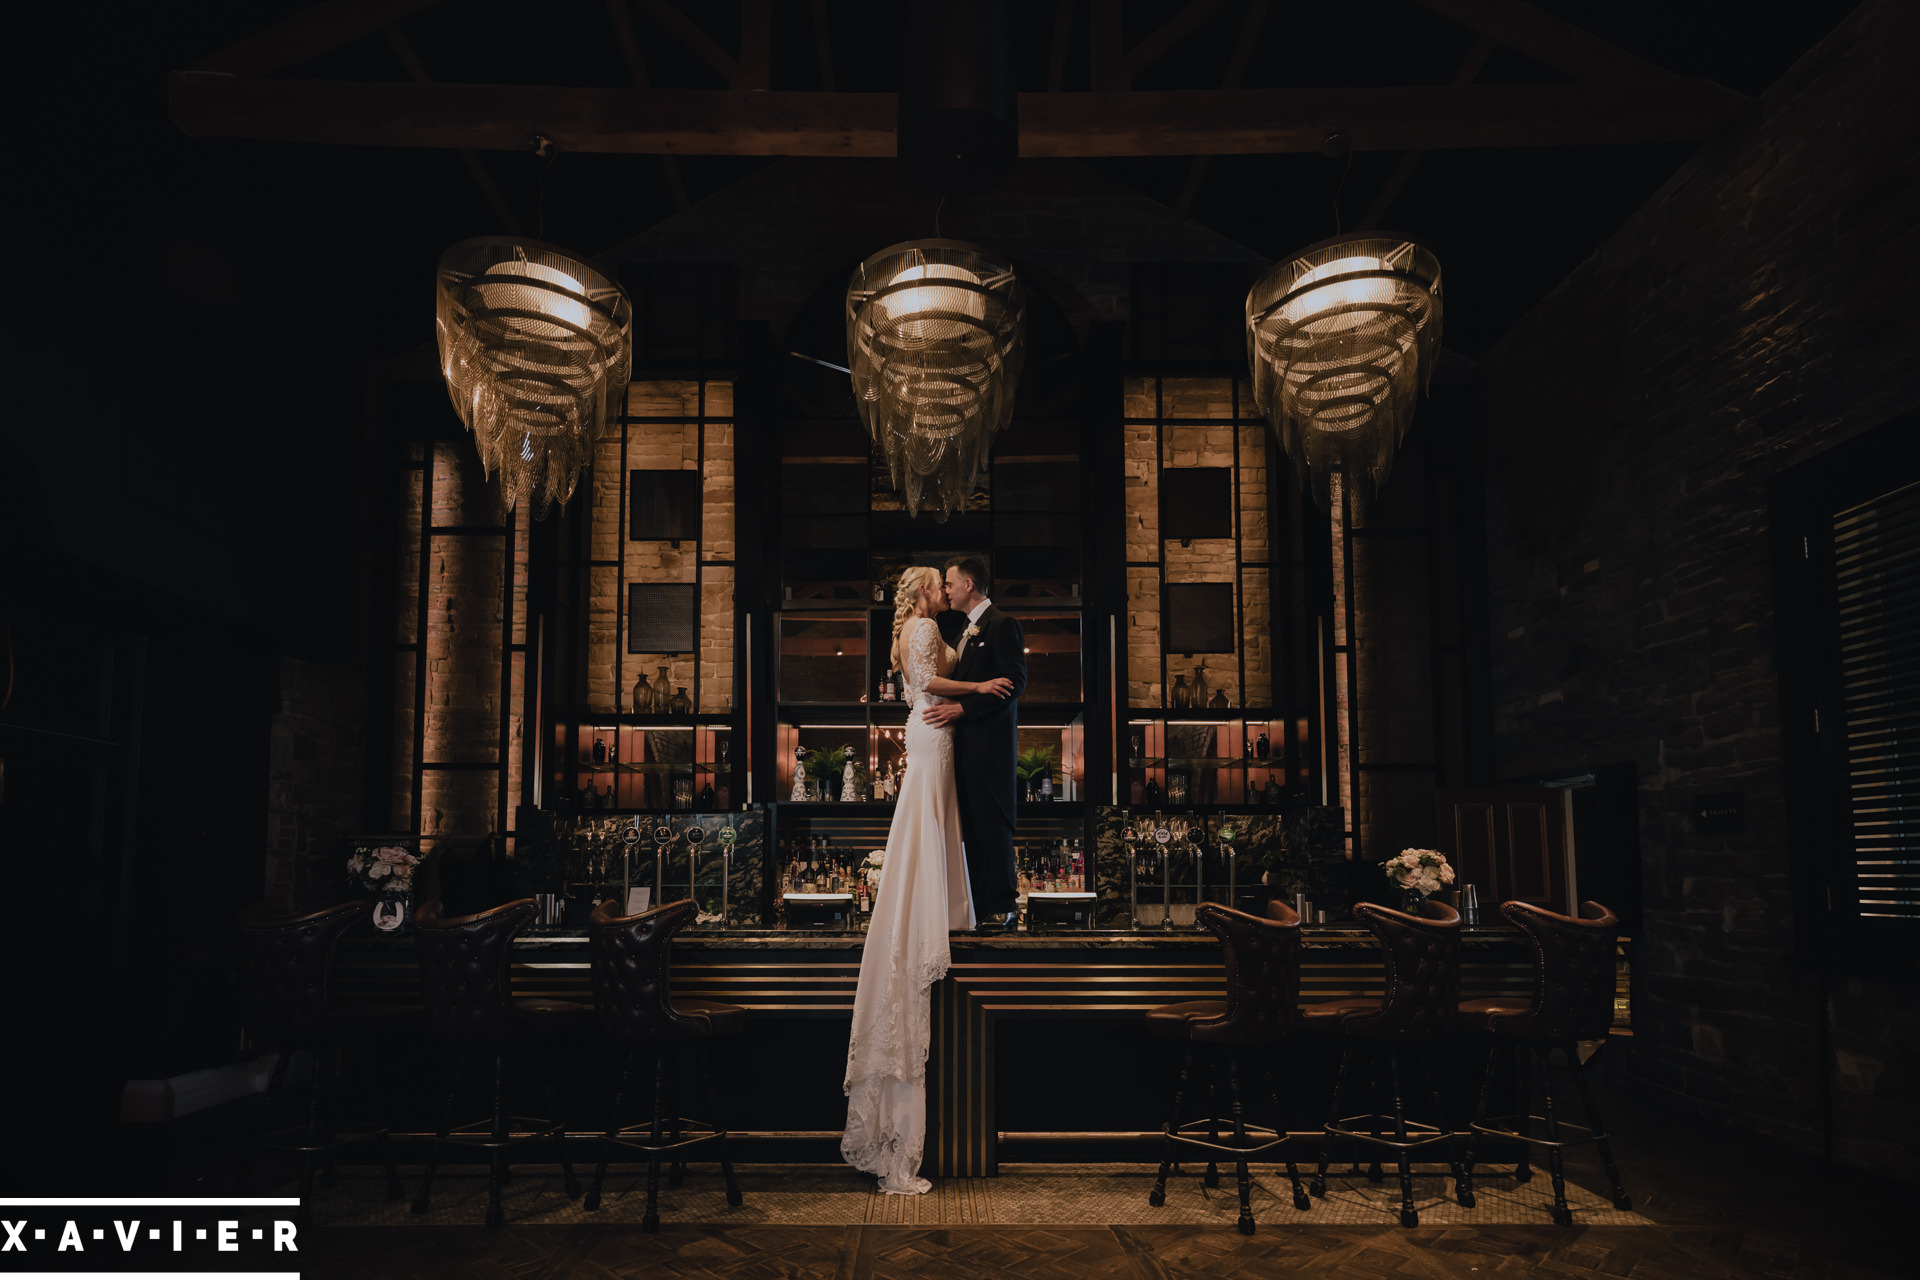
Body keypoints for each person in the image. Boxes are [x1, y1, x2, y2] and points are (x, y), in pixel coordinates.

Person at [841, 565, 1013, 1195]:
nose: (945, 589)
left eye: (949, 582)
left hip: (937, 734)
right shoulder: (920, 627)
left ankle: (943, 901)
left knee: (940, 819)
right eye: (937, 583)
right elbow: (923, 680)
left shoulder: (932, 625)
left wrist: (965, 694)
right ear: (919, 594)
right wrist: (976, 686)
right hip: (933, 733)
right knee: (927, 817)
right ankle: (926, 904)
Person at [919, 556, 1026, 931]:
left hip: (990, 750)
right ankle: (979, 905)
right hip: (965, 750)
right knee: (972, 828)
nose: (945, 590)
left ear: (968, 585)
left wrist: (963, 708)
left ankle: (1004, 906)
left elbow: (1013, 684)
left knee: (992, 824)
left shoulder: (1001, 624)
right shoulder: (967, 630)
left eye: (949, 583)